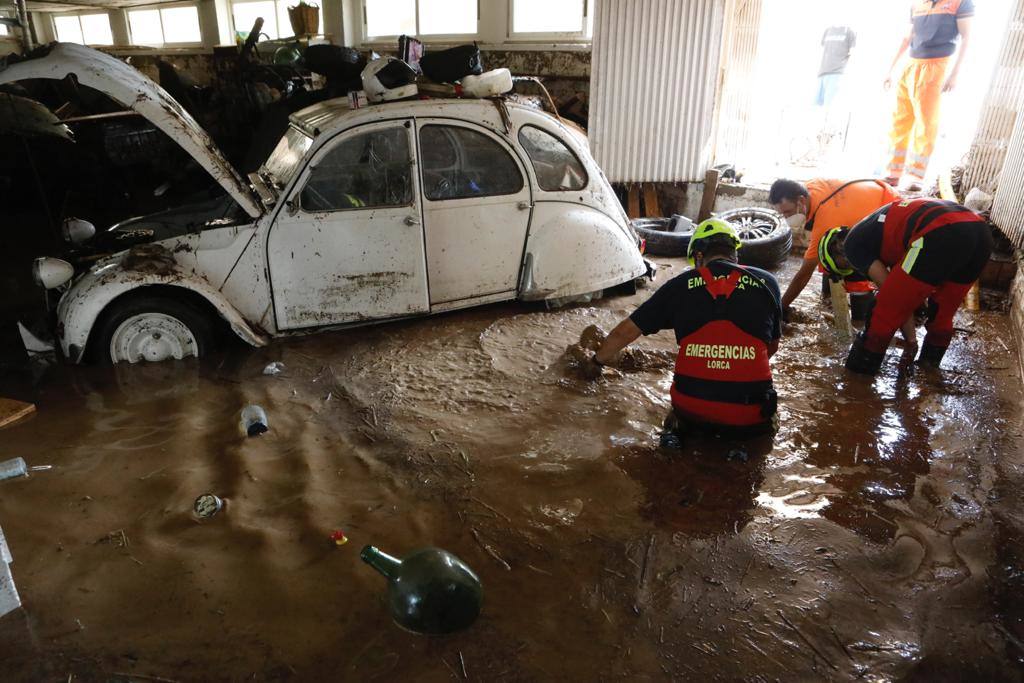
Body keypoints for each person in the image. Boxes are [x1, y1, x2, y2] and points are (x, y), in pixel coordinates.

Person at [585, 219, 782, 437]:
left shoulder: (679, 285)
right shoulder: (768, 282)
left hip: (690, 410)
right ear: (734, 253)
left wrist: (595, 362)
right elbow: (771, 348)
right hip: (751, 417)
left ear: (698, 256)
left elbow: (626, 331)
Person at [816, 198, 991, 374]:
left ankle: (856, 382)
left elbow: (893, 299)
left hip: (939, 231)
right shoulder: (877, 234)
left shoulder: (852, 246)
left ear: (838, 255)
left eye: (843, 268)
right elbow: (904, 292)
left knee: (882, 316)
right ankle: (928, 375)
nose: (854, 270)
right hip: (980, 234)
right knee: (940, 315)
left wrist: (911, 341)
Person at [769, 178, 899, 319]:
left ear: (801, 200)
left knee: (856, 263)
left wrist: (781, 307)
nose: (786, 217)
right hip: (870, 195)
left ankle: (861, 315)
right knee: (828, 255)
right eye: (782, 214)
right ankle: (829, 297)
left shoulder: (826, 221)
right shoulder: (809, 189)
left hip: (890, 210)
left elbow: (804, 274)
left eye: (788, 212)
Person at [884, 0, 974, 190]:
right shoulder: (917, 4)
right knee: (900, 119)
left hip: (937, 65)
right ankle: (893, 172)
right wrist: (890, 69)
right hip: (911, 64)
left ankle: (915, 175)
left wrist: (955, 74)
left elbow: (967, 38)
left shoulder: (960, 3)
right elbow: (907, 38)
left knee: (926, 122)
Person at [817, 24, 856, 109]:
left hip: (837, 73)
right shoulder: (828, 30)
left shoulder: (849, 32)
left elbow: (853, 54)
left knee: (828, 107)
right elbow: (822, 50)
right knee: (816, 106)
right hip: (822, 73)